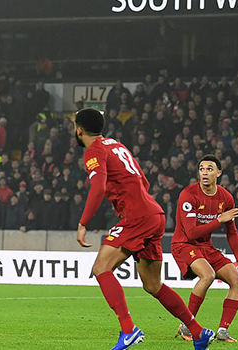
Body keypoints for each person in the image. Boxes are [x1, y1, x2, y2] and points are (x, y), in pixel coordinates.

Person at [74, 108, 215, 350]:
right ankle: (198, 332)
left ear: (79, 130)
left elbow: (98, 188)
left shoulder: (94, 151)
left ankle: (128, 330)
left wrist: (83, 223)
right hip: (153, 212)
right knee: (152, 285)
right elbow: (143, 180)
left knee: (101, 268)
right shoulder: (117, 145)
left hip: (137, 216)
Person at [172, 155, 238, 343]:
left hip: (206, 247)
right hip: (184, 244)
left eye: (209, 169)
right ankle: (186, 326)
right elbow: (190, 233)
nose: (204, 172)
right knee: (208, 275)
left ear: (219, 173)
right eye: (202, 169)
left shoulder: (225, 197)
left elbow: (232, 231)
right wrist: (218, 220)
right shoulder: (188, 195)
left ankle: (223, 330)